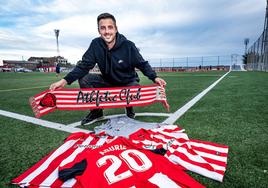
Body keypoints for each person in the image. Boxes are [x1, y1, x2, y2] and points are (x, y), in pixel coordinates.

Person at [50, 13, 166, 125]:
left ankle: (129, 107)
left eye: (110, 27)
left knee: (135, 89)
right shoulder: (96, 44)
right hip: (108, 81)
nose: (106, 31)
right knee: (84, 78)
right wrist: (64, 81)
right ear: (99, 30)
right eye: (103, 28)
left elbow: (142, 64)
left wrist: (154, 77)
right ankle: (96, 112)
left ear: (116, 29)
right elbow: (84, 65)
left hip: (127, 83)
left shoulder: (128, 45)